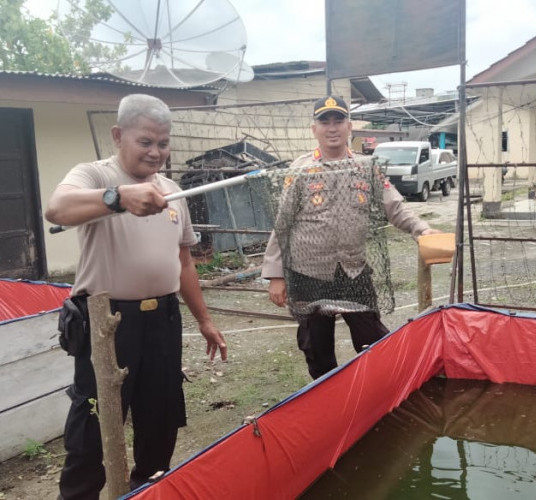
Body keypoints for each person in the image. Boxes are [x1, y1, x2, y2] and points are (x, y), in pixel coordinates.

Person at [45, 93, 228, 500]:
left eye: (163, 143)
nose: (156, 152)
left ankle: (147, 489)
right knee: (93, 428)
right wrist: (117, 198)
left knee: (160, 419)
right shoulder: (94, 176)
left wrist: (204, 321)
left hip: (162, 319)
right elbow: (56, 209)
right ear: (118, 135)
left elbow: (184, 264)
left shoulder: (171, 191)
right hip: (106, 323)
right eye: (145, 141)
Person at [261, 95, 439, 379]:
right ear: (314, 129)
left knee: (373, 340)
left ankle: (377, 392)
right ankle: (326, 404)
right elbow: (282, 224)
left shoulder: (367, 167)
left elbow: (394, 207)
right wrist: (276, 276)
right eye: (325, 122)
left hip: (353, 270)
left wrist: (422, 230)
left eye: (338, 121)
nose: (332, 128)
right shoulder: (301, 169)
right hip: (308, 275)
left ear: (350, 126)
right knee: (317, 351)